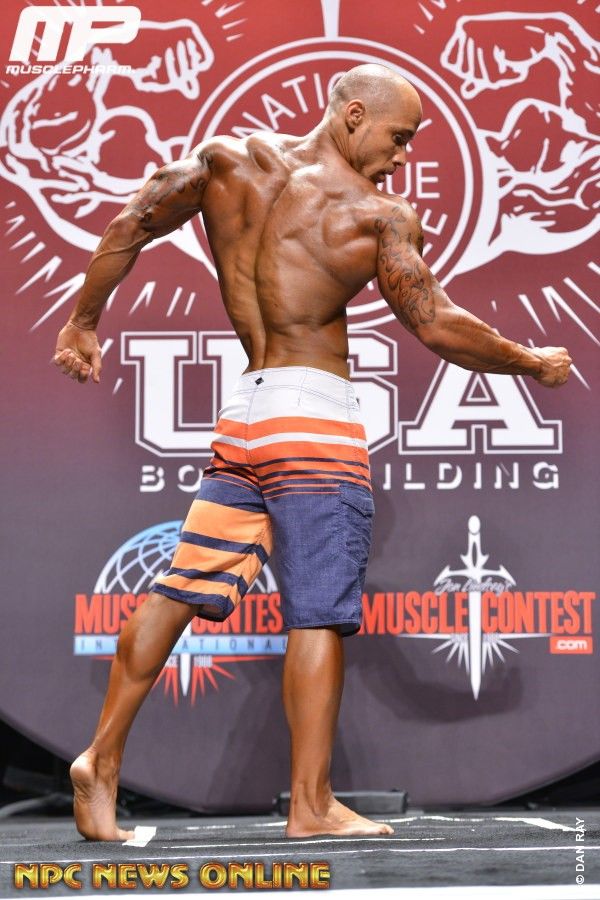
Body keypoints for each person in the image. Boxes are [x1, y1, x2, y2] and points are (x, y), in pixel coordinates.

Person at [53, 64, 572, 841]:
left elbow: (133, 222)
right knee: (318, 613)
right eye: (399, 137)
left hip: (246, 415)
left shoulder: (226, 163)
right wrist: (530, 361)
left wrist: (84, 322)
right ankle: (311, 804)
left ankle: (100, 759)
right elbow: (434, 321)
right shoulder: (377, 217)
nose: (403, 157)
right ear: (353, 115)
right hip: (314, 422)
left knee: (178, 590)